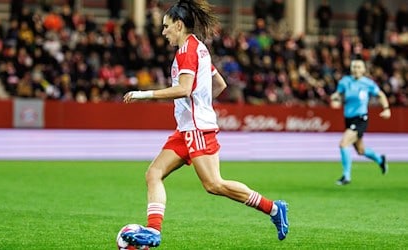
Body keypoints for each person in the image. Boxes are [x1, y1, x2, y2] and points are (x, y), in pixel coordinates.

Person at [120, 0, 289, 248]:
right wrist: (202, 102)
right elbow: (219, 85)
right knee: (153, 173)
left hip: (197, 128)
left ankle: (274, 208)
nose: (163, 32)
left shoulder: (187, 51)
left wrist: (143, 94)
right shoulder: (199, 48)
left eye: (166, 27)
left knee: (214, 184)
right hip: (188, 128)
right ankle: (153, 231)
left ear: (179, 25)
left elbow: (184, 88)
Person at [330, 58, 391, 185]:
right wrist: (335, 98)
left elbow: (380, 95)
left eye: (359, 67)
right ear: (351, 69)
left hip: (361, 118)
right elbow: (338, 95)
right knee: (360, 150)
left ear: (363, 70)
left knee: (343, 143)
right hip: (348, 119)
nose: (356, 69)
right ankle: (380, 160)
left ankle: (346, 176)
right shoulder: (345, 82)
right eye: (354, 67)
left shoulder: (368, 84)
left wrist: (386, 109)